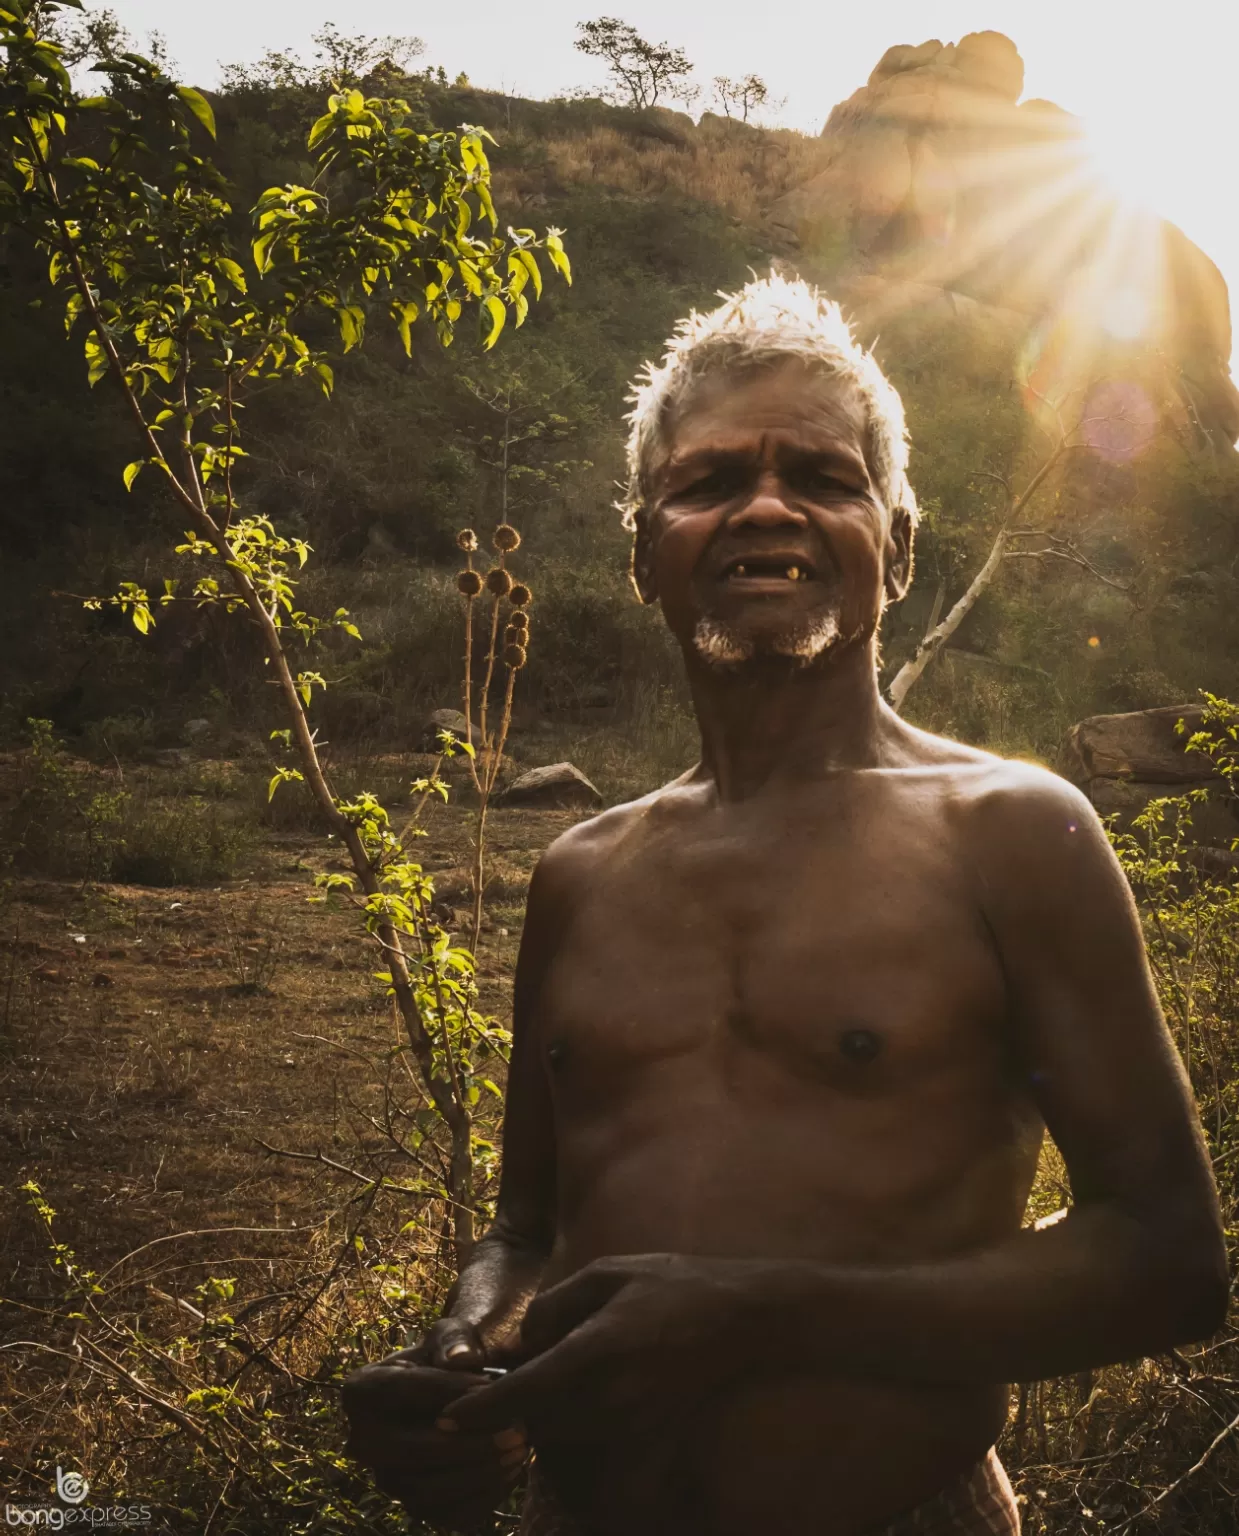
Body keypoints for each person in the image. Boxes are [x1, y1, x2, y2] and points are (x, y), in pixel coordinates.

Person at [342, 275, 1228, 1536]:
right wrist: (467, 1353)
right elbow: (527, 1232)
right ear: (645, 553)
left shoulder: (1013, 834)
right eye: (708, 482)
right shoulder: (581, 872)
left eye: (822, 475)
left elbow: (1169, 1264)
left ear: (899, 546)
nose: (767, 505)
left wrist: (754, 1312)